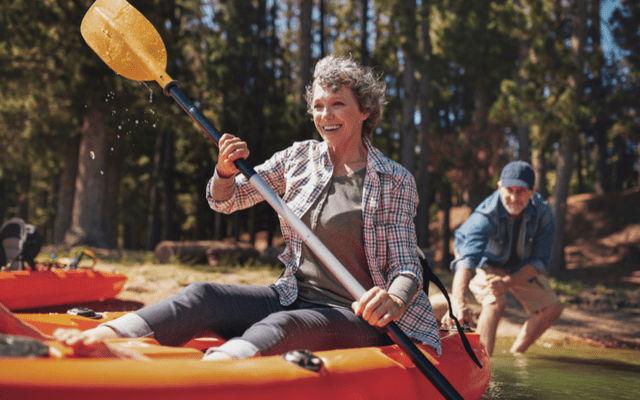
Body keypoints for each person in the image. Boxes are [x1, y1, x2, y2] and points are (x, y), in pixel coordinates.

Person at [53, 55, 440, 359]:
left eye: (338, 104)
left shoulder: (393, 179)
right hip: (294, 293)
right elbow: (228, 200)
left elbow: (406, 265)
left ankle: (215, 373)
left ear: (365, 111)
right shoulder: (299, 159)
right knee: (203, 294)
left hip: (357, 315)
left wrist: (393, 298)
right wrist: (223, 172)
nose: (326, 116)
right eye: (319, 106)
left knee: (283, 325)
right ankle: (101, 339)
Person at [440, 161, 563, 356]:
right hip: (484, 263)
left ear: (532, 191)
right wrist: (460, 302)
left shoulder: (543, 213)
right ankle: (481, 362)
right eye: (509, 190)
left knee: (552, 308)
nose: (514, 197)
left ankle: (516, 355)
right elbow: (466, 261)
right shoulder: (485, 215)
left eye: (521, 191)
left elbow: (539, 261)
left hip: (519, 268)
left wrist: (507, 282)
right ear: (499, 187)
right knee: (494, 302)